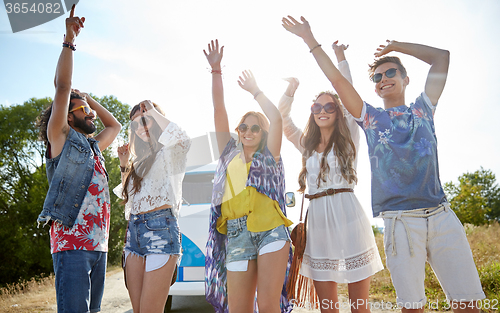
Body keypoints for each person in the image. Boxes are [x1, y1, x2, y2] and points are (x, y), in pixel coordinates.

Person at [282, 15, 485, 313]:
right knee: (412, 307)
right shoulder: (370, 119)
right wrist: (310, 40)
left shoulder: (423, 108)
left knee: (468, 305)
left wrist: (398, 46)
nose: (384, 78)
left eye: (391, 72)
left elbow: (441, 58)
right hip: (400, 222)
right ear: (375, 88)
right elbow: (338, 82)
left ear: (405, 78)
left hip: (441, 214)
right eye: (377, 77)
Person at [278, 41, 383, 313]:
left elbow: (346, 92)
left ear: (338, 112)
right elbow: (282, 119)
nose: (322, 110)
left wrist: (340, 57)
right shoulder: (307, 144)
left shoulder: (349, 136)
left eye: (329, 107)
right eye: (316, 107)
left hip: (348, 214)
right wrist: (290, 90)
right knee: (327, 306)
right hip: (319, 220)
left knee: (360, 305)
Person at [36, 5, 122, 312]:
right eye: (82, 110)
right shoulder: (60, 140)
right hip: (71, 246)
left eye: (89, 109)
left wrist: (89, 98)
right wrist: (69, 41)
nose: (89, 113)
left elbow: (115, 125)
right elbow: (62, 87)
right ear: (68, 119)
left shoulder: (94, 147)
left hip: (98, 246)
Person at [203, 39, 294, 313]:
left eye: (255, 127)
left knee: (267, 307)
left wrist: (255, 90)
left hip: (271, 231)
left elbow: (276, 119)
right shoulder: (228, 154)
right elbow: (219, 109)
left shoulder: (270, 156)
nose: (249, 131)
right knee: (238, 310)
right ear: (238, 130)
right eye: (244, 126)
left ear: (262, 133)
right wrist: (216, 71)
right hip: (236, 233)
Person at [114, 99, 191, 312]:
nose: (140, 127)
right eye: (135, 123)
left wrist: (154, 111)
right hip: (133, 235)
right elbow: (130, 201)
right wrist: (124, 165)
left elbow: (183, 139)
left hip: (161, 230)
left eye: (145, 120)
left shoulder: (169, 154)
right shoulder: (138, 162)